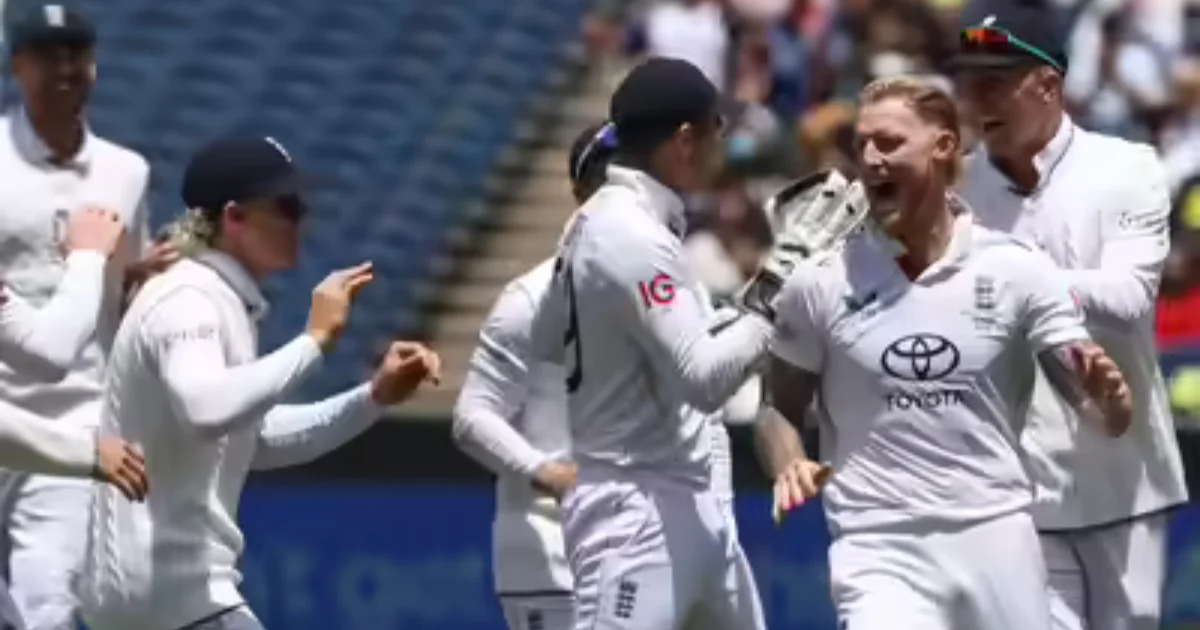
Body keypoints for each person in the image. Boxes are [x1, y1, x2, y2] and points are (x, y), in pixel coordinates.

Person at [766, 76, 1134, 630]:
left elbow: (1094, 405)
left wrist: (1112, 402)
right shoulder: (817, 280)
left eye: (888, 142)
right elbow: (778, 407)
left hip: (996, 535)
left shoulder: (1015, 268)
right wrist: (788, 461)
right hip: (878, 545)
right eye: (861, 144)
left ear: (942, 147)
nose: (869, 158)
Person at [74, 136, 441, 630]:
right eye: (286, 205)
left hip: (152, 596)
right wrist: (314, 340)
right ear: (234, 218)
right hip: (179, 590)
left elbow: (253, 438)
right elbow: (205, 409)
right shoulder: (190, 297)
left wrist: (372, 397)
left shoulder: (212, 294)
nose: (300, 219)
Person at [952, 2, 1188, 628]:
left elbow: (1130, 296)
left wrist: (1015, 279)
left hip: (1123, 476)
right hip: (1016, 490)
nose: (977, 98)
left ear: (1049, 85)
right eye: (968, 80)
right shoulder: (952, 190)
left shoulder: (1127, 168)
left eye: (995, 81)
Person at [529, 57, 778, 630]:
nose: (723, 145)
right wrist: (782, 283)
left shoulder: (619, 224)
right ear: (686, 139)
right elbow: (706, 378)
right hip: (635, 513)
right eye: (718, 128)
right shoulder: (628, 233)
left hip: (677, 499)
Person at [0, 6, 174, 629]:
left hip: (76, 417)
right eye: (48, 54)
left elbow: (118, 296)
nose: (66, 68)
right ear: (18, 65)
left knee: (49, 604)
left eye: (77, 52)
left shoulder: (125, 171)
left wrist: (137, 282)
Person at [451, 121, 616, 630]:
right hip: (553, 552)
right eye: (608, 179)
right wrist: (551, 473)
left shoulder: (669, 293)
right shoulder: (530, 298)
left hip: (643, 552)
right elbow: (471, 418)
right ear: (579, 191)